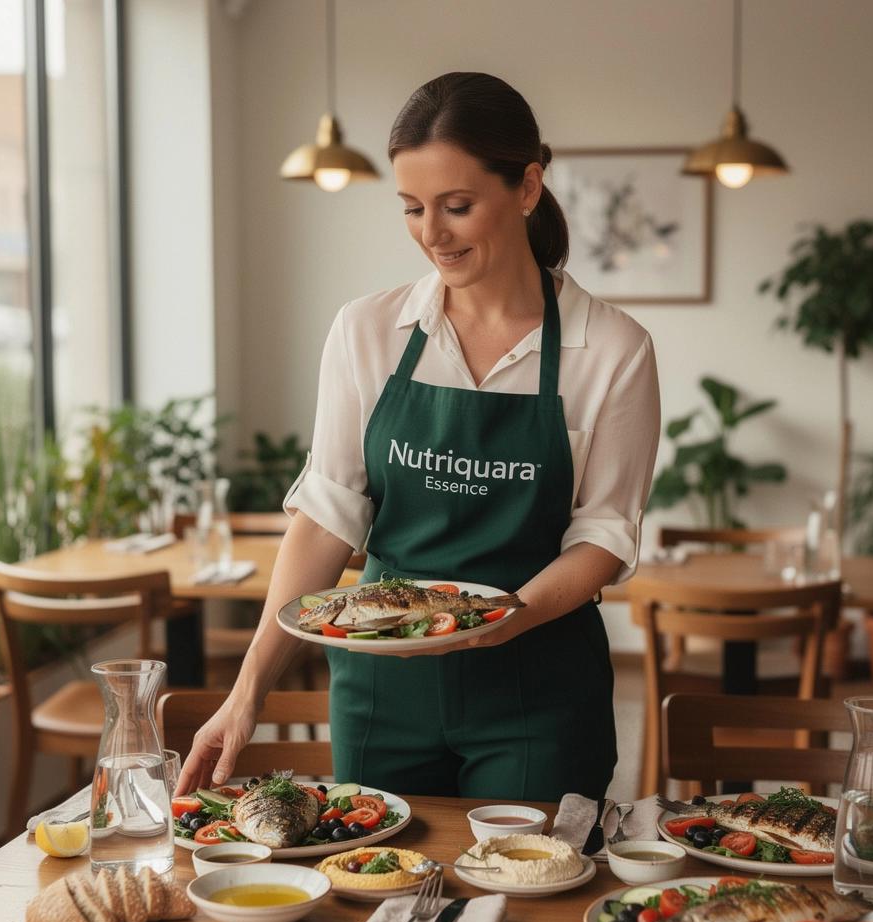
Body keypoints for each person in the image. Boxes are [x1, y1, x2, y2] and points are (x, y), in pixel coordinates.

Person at [177, 72, 659, 803]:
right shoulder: (368, 330)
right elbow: (328, 517)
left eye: (457, 207)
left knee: (534, 874)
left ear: (528, 187)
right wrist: (246, 694)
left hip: (536, 687)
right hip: (383, 689)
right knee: (379, 869)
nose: (432, 233)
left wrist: (504, 619)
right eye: (412, 207)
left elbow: (604, 536)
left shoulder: (612, 349)